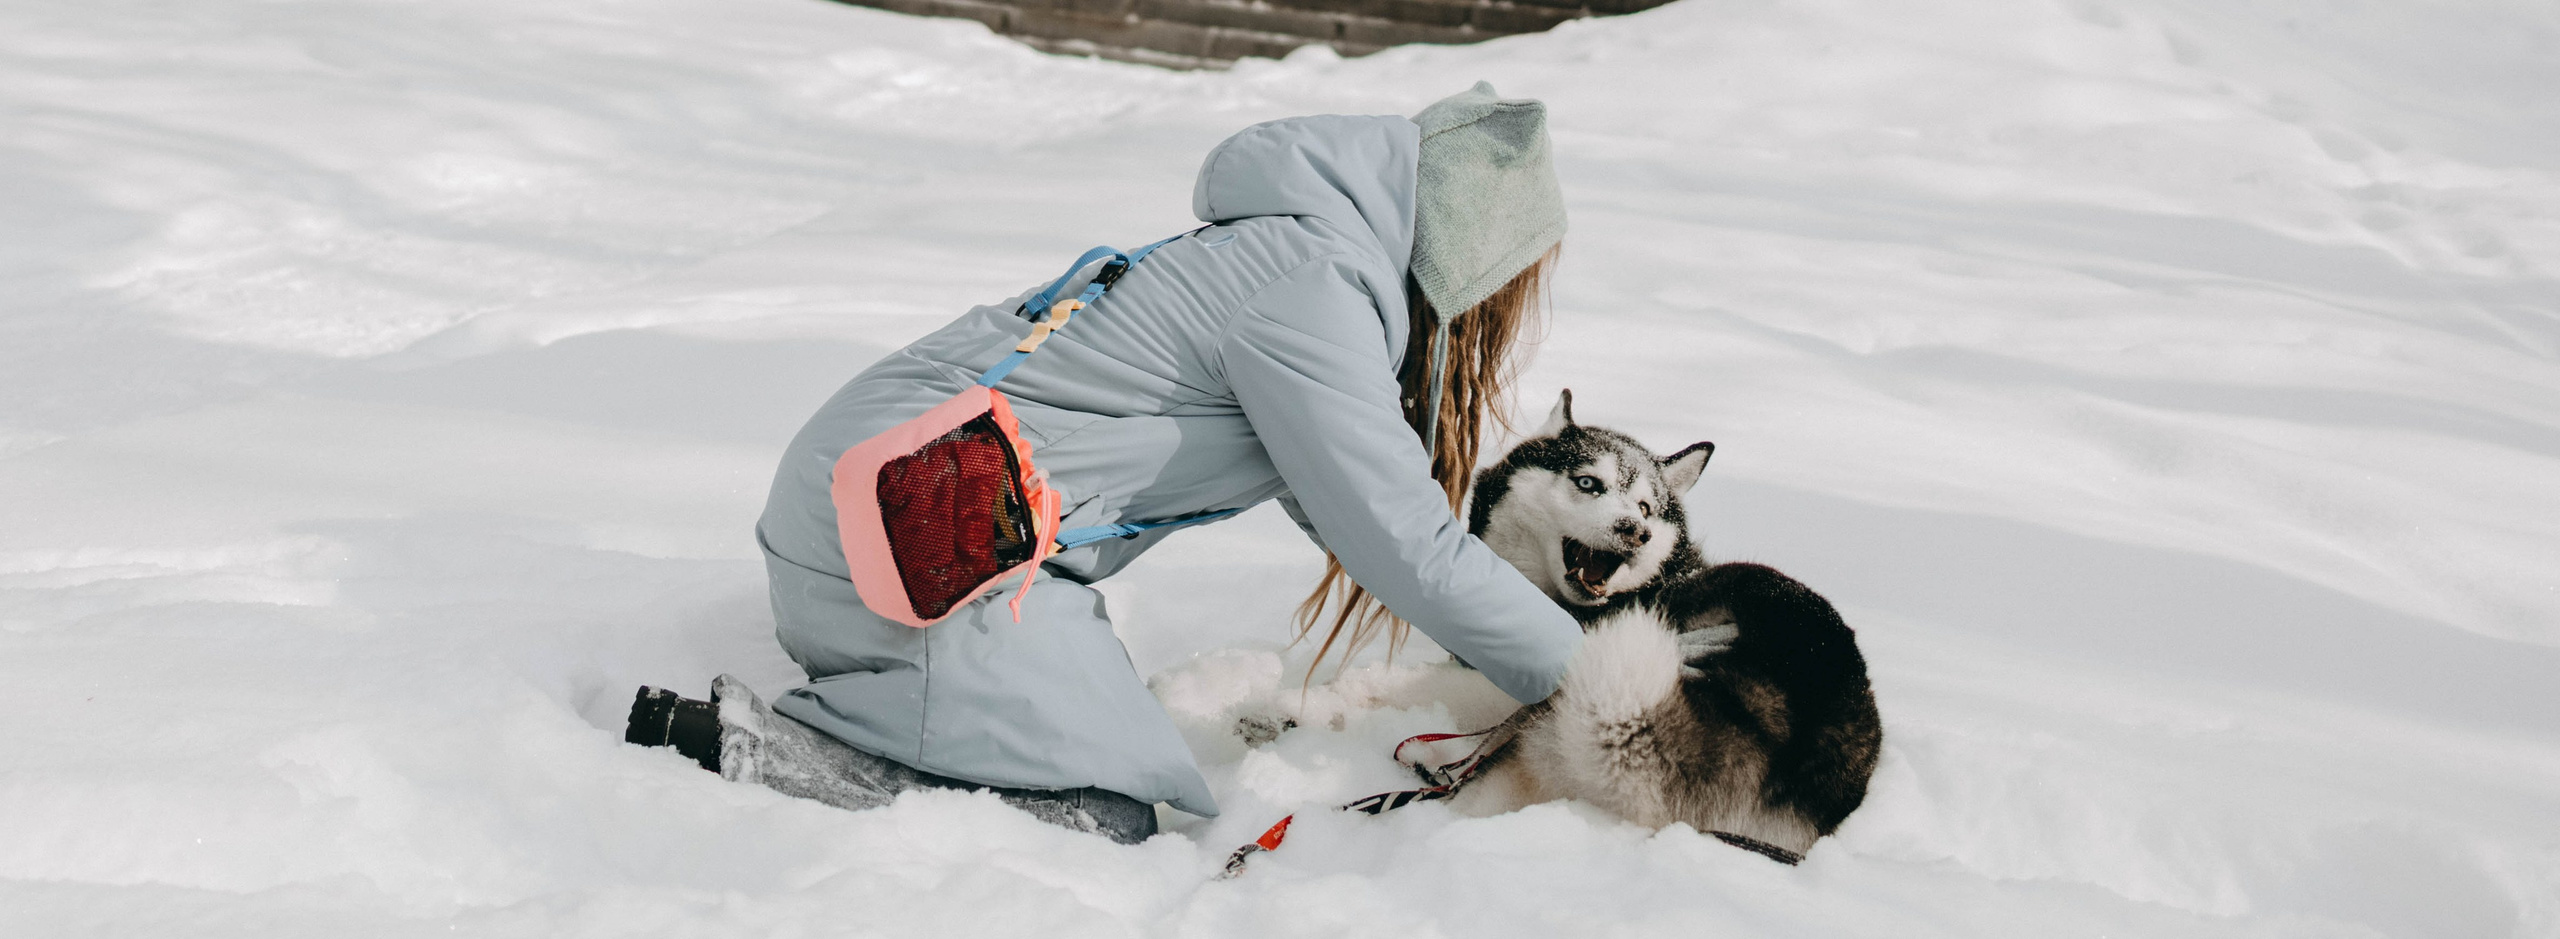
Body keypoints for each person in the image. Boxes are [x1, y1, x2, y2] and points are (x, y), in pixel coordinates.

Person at [626, 82, 1585, 844]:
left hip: (905, 509)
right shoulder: (1313, 289)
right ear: (1472, 256)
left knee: (1109, 785)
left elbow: (1371, 517)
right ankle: (787, 757)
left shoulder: (1295, 262)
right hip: (915, 527)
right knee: (1104, 811)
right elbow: (1403, 541)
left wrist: (1524, 633)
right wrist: (1602, 679)